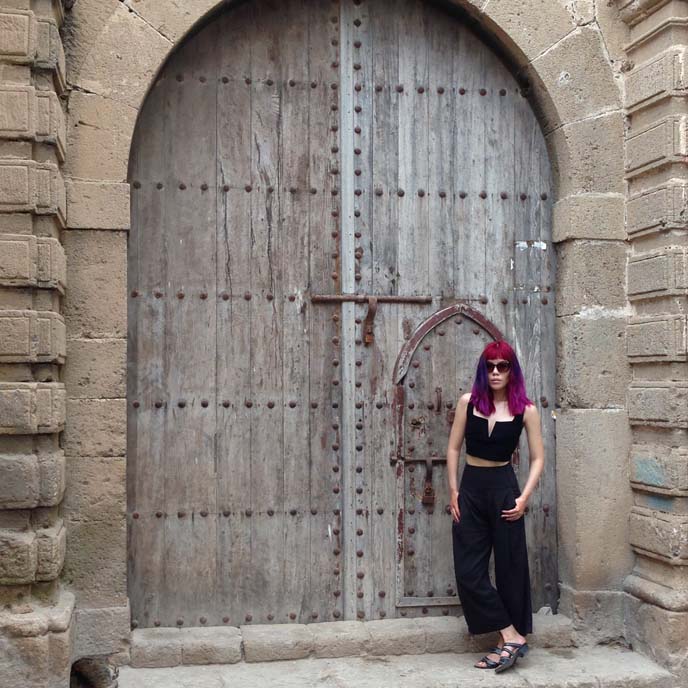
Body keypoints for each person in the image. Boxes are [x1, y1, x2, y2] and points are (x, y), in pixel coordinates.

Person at [446, 340, 545, 673]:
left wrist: (524, 498)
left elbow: (538, 458)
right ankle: (513, 634)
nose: (495, 372)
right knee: (469, 572)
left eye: (502, 366)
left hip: (505, 491)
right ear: (482, 370)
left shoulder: (525, 410)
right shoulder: (467, 403)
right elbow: (453, 449)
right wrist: (453, 490)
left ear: (511, 370)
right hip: (471, 489)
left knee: (510, 569)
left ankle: (507, 644)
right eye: (490, 366)